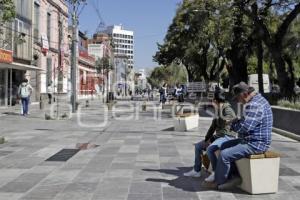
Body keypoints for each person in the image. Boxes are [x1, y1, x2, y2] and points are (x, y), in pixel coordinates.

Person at [212, 82, 273, 189]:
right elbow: (246, 120)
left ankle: (219, 182)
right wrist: (237, 119)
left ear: (244, 94)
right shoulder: (256, 101)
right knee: (224, 146)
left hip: (256, 144)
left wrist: (231, 124)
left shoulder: (255, 105)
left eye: (238, 98)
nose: (238, 101)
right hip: (250, 140)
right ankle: (234, 176)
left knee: (225, 155)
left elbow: (244, 128)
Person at [184, 89, 236, 178]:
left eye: (212, 100)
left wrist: (211, 140)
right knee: (198, 146)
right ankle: (197, 170)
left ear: (215, 101)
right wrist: (206, 139)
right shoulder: (218, 110)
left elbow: (226, 130)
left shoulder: (228, 110)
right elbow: (213, 127)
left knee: (210, 149)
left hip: (228, 137)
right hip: (219, 136)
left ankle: (215, 173)